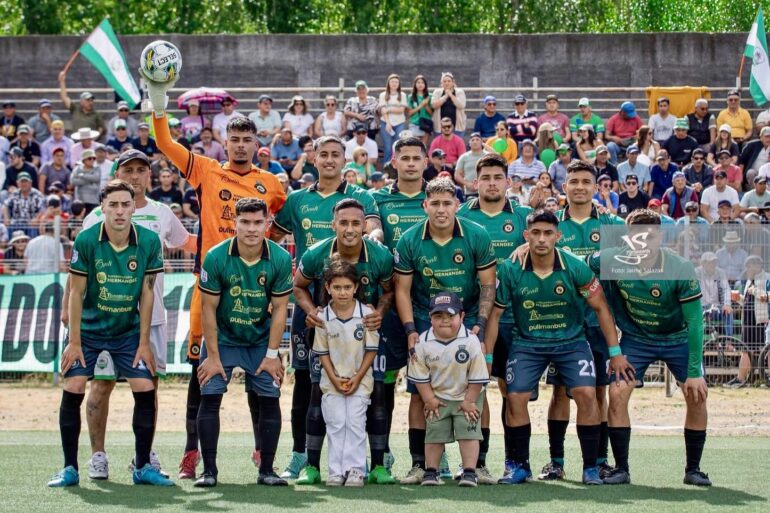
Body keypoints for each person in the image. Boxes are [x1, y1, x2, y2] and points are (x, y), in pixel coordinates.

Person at [144, 74, 286, 478]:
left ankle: (262, 453)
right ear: (225, 142)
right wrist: (158, 101)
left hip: (255, 288)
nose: (240, 145)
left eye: (247, 140)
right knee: (201, 373)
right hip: (208, 287)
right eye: (234, 139)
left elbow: (284, 222)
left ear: (257, 144)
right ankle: (192, 454)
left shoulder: (272, 184)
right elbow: (164, 143)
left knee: (260, 374)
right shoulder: (205, 170)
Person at [62, 148, 196, 480]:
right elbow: (77, 272)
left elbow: (188, 243)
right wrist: (68, 313)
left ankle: (143, 456)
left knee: (149, 385)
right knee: (101, 384)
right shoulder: (96, 218)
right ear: (117, 175)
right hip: (104, 318)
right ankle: (97, 455)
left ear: (149, 175)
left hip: (150, 318)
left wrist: (228, 239)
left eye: (140, 170)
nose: (135, 176)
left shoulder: (162, 212)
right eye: (128, 170)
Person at [489, 209, 628, 486]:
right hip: (527, 343)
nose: (542, 239)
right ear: (526, 235)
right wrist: (487, 356)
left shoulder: (575, 266)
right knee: (515, 397)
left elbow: (601, 308)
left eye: (548, 233)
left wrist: (615, 353)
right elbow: (494, 315)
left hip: (571, 342)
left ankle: (590, 468)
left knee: (586, 393)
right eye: (536, 233)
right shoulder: (510, 269)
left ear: (558, 236)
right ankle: (520, 466)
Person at [48, 179, 171, 488]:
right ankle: (70, 468)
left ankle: (142, 466)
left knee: (145, 387)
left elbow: (148, 294)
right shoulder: (87, 239)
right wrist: (74, 342)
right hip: (88, 331)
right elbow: (76, 292)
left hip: (127, 331)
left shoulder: (149, 241)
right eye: (113, 205)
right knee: (75, 385)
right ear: (102, 207)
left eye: (125, 204)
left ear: (133, 208)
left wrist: (144, 343)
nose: (119, 211)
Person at [270, 135, 380, 479]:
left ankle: (364, 459)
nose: (330, 160)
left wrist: (373, 238)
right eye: (324, 154)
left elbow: (374, 230)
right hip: (314, 309)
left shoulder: (361, 197)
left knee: (365, 383)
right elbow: (271, 238)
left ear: (345, 160)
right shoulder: (297, 200)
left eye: (336, 154)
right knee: (306, 383)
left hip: (355, 308)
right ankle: (300, 455)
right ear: (313, 159)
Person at [595, 209, 712, 487]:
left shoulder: (680, 267)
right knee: (617, 392)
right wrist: (529, 248)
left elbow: (695, 322)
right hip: (637, 338)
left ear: (660, 237)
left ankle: (693, 469)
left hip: (678, 339)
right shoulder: (611, 260)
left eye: (649, 236)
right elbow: (572, 260)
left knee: (696, 394)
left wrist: (694, 372)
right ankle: (621, 469)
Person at [393, 177, 496, 484]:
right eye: (435, 203)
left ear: (457, 205)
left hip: (467, 316)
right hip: (426, 317)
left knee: (476, 391)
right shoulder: (409, 239)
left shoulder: (476, 235)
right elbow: (402, 290)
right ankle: (420, 464)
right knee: (419, 391)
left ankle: (478, 465)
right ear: (425, 205)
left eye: (447, 203)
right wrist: (410, 329)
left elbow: (488, 285)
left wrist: (480, 325)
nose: (441, 209)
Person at [531, 160, 625, 482]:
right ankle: (556, 461)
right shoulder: (553, 225)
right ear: (564, 186)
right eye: (574, 181)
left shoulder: (612, 224)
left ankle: (599, 461)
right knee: (559, 393)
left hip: (599, 324)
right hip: (563, 323)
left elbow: (629, 266)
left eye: (586, 181)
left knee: (598, 393)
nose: (580, 187)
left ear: (596, 187)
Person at [291, 198, 395, 486]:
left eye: (355, 223)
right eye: (344, 223)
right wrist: (312, 311)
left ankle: (378, 466)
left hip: (366, 333)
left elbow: (389, 290)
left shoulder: (380, 255)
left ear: (364, 226)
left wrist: (380, 312)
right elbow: (298, 286)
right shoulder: (316, 253)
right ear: (333, 224)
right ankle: (312, 466)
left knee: (376, 395)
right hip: (329, 332)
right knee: (318, 395)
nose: (350, 229)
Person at [194, 197, 292, 487]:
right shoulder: (216, 256)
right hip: (222, 340)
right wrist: (212, 357)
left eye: (258, 222)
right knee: (210, 398)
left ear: (267, 224)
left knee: (270, 398)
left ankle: (267, 470)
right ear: (234, 223)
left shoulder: (280, 258)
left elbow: (280, 310)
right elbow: (208, 309)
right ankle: (209, 471)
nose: (251, 229)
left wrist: (272, 355)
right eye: (245, 222)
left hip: (260, 340)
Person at [457, 154, 530, 483]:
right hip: (474, 317)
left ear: (508, 182)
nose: (491, 183)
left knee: (512, 391)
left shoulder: (524, 218)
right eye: (484, 177)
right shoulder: (461, 215)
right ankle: (479, 462)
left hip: (516, 318)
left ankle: (516, 462)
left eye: (497, 177)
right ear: (475, 182)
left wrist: (530, 246)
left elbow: (549, 241)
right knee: (478, 389)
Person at [369, 137, 431, 477]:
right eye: (403, 158)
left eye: (415, 158)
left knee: (432, 383)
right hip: (390, 304)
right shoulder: (377, 199)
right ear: (393, 161)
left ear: (425, 162)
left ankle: (434, 454)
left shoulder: (438, 198)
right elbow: (372, 229)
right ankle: (384, 451)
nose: (409, 163)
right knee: (385, 381)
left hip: (433, 304)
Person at [310, 256, 380, 487]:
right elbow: (322, 353)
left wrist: (357, 378)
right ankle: (336, 471)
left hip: (361, 381)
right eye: (337, 287)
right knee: (336, 423)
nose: (342, 292)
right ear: (328, 287)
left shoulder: (366, 314)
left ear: (356, 287)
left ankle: (356, 470)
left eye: (347, 287)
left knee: (355, 423)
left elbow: (371, 350)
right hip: (332, 382)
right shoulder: (323, 317)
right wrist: (334, 378)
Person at [408, 291, 489, 488]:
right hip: (438, 398)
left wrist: (469, 401)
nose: (444, 320)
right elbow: (420, 376)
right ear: (430, 317)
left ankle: (469, 472)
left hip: (467, 397)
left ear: (462, 316)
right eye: (438, 316)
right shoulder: (422, 342)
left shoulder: (471, 341)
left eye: (450, 315)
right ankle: (431, 471)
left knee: (468, 435)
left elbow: (478, 376)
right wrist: (429, 399)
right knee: (434, 434)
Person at [725, 256, 770, 388]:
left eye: (749, 266)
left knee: (767, 350)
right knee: (746, 350)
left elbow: (765, 296)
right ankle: (741, 379)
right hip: (748, 322)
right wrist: (738, 298)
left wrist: (754, 290)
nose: (747, 269)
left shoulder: (767, 278)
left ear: (757, 266)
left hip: (761, 321)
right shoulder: (750, 281)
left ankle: (765, 379)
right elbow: (748, 302)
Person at [696, 251, 733, 337]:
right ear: (703, 264)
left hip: (716, 307)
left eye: (714, 262)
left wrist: (727, 304)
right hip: (701, 307)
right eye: (710, 262)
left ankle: (729, 340)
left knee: (728, 312)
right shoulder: (696, 272)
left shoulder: (720, 272)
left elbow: (726, 289)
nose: (713, 264)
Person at [57, 74, 105, 139]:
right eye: (88, 100)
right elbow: (64, 98)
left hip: (89, 142)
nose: (91, 102)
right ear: (81, 102)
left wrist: (94, 139)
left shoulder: (96, 114)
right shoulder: (75, 109)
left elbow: (101, 128)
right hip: (76, 141)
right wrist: (62, 81)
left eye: (92, 100)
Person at [379, 75, 409, 164]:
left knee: (397, 147)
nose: (394, 84)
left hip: (399, 123)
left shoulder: (402, 95)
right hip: (386, 123)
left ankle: (396, 167)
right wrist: (388, 123)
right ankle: (387, 167)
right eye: (392, 82)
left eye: (396, 82)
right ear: (388, 83)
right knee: (388, 148)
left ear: (399, 84)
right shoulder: (383, 95)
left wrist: (389, 109)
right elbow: (383, 110)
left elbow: (401, 110)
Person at [4, 171, 45, 236]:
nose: (23, 184)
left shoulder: (37, 194)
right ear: (17, 183)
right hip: (16, 223)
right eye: (21, 182)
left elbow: (43, 208)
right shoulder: (14, 193)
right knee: (8, 227)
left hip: (31, 224)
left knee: (33, 228)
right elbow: (5, 205)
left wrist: (37, 218)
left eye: (26, 181)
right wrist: (6, 218)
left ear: (30, 183)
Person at [430, 72, 466, 136]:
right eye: (444, 81)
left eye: (449, 81)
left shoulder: (460, 92)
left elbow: (461, 105)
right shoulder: (437, 92)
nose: (447, 83)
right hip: (440, 127)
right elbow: (434, 105)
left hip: (457, 126)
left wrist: (451, 95)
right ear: (442, 83)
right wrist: (445, 96)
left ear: (453, 82)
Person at [454, 133, 486, 197]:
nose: (475, 142)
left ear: (481, 142)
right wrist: (467, 184)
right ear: (469, 143)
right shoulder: (464, 157)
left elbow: (498, 157)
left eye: (477, 139)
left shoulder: (487, 156)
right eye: (472, 140)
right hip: (470, 192)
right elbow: (457, 175)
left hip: (485, 191)